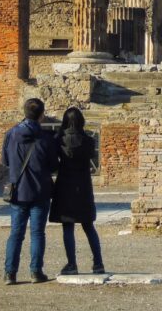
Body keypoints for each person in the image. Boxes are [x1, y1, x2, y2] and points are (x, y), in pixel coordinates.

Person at [2, 98, 59, 285]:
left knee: (15, 233)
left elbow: (6, 161)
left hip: (18, 190)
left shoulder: (11, 134)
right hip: (40, 191)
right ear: (42, 115)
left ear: (24, 112)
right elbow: (53, 166)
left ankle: (10, 273)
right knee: (37, 233)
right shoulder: (46, 138)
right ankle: (35, 272)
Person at [49, 107, 105, 275]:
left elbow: (54, 164)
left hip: (65, 184)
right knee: (88, 226)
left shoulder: (58, 140)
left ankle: (72, 264)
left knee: (68, 226)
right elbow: (90, 158)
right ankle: (98, 263)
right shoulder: (88, 140)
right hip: (83, 185)